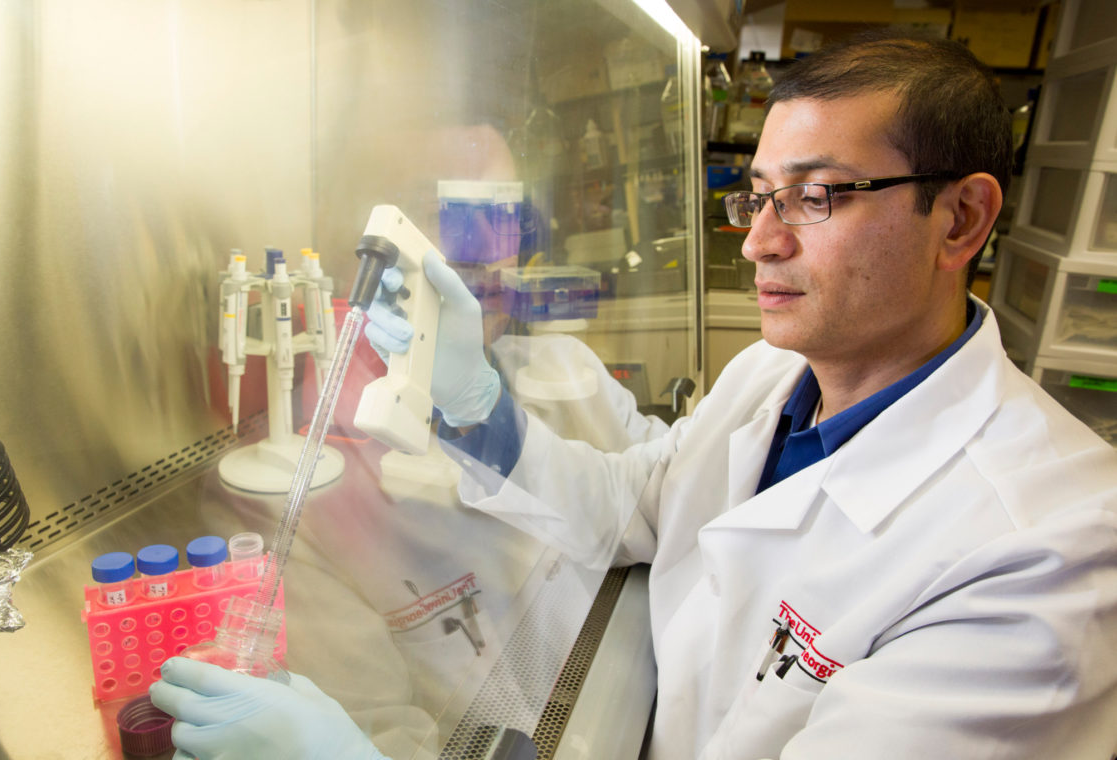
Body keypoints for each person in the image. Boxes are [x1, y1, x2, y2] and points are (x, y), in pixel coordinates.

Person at [150, 31, 1117, 759]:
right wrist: (476, 404)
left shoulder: (1047, 553)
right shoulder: (771, 380)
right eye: (759, 193)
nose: (759, 242)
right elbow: (637, 504)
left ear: (962, 218)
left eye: (816, 196)